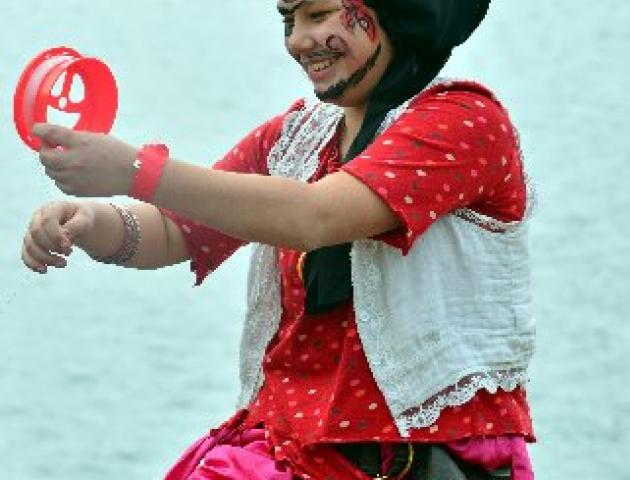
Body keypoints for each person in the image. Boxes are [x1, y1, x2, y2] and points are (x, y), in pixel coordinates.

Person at [21, 0, 537, 478]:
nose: (298, 40)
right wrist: (88, 220)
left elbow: (315, 217)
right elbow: (177, 230)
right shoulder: (297, 135)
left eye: (317, 13)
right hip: (287, 450)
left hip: (413, 461)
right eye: (288, 19)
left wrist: (135, 170)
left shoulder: (465, 121)